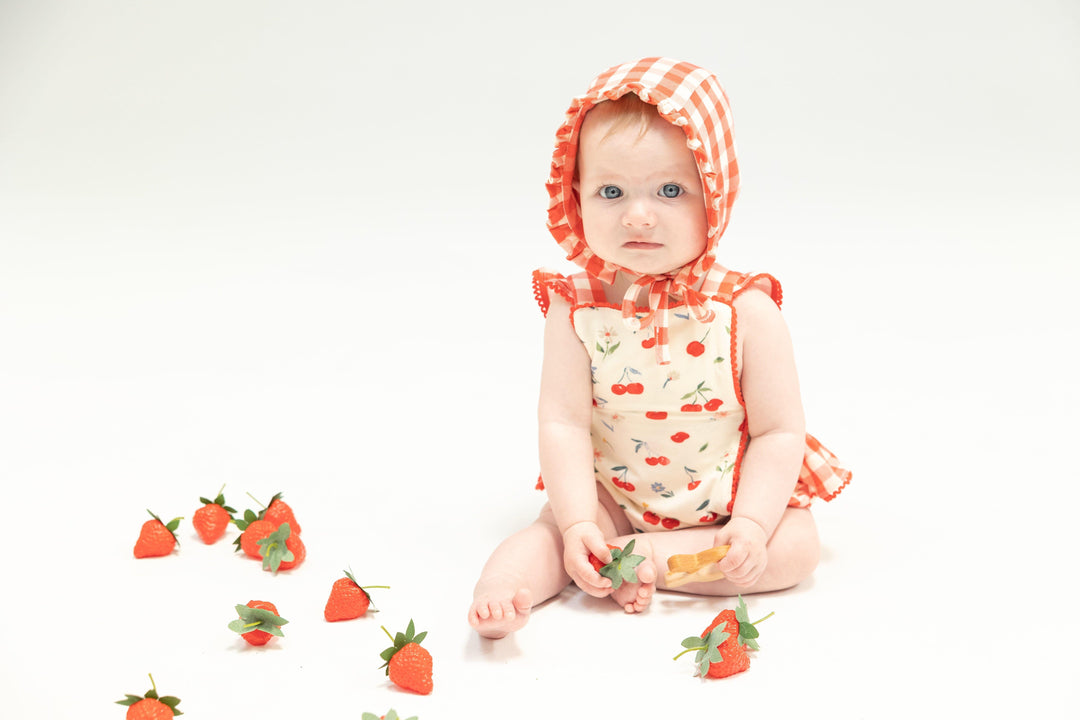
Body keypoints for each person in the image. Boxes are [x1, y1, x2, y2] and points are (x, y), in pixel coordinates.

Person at [468, 58, 851, 639]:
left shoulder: (745, 308)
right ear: (577, 198)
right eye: (611, 191)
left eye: (670, 190)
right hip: (616, 493)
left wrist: (748, 522)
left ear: (713, 194)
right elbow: (564, 424)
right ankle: (504, 591)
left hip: (727, 495)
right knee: (549, 537)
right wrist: (576, 525)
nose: (638, 215)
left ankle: (645, 560)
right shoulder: (579, 308)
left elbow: (779, 433)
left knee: (795, 547)